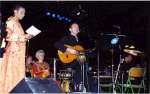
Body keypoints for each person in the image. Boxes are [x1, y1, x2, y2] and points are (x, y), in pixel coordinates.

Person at [0, 5, 32, 92]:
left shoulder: (18, 23)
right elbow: (8, 36)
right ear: (15, 12)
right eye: (22, 12)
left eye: (24, 13)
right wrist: (24, 36)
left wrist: (27, 37)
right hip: (13, 53)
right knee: (11, 75)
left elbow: (20, 37)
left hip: (19, 54)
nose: (24, 15)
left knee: (18, 75)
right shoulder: (11, 21)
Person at [54, 22, 87, 92]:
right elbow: (56, 44)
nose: (76, 28)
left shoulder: (80, 42)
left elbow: (82, 57)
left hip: (78, 64)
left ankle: (81, 86)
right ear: (70, 29)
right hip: (68, 63)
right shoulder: (67, 38)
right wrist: (68, 49)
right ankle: (73, 86)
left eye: (77, 27)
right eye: (74, 27)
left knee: (84, 65)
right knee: (79, 67)